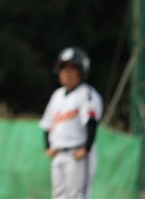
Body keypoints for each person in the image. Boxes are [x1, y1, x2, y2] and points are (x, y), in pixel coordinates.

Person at [39, 47, 103, 199]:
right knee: (59, 196)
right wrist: (47, 146)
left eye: (72, 68)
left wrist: (86, 148)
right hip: (59, 154)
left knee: (77, 196)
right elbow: (47, 123)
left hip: (77, 153)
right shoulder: (57, 95)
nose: (67, 73)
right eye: (63, 68)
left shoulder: (86, 93)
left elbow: (91, 122)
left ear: (82, 71)